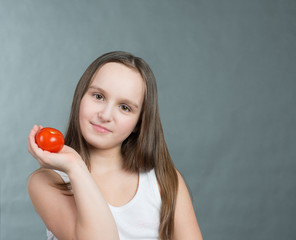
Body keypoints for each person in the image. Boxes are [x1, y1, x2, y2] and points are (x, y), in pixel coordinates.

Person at [27, 51, 203, 240]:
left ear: (138, 123)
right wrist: (76, 166)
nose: (105, 115)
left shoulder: (164, 181)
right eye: (98, 96)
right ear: (80, 97)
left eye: (125, 107)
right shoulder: (48, 181)